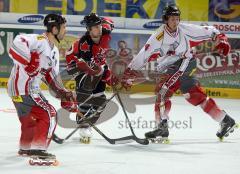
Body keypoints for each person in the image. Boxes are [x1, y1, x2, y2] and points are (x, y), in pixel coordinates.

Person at [122, 5, 237, 142]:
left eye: (177, 19)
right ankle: (225, 120)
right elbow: (144, 54)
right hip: (172, 66)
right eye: (172, 19)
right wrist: (129, 72)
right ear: (165, 19)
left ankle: (162, 126)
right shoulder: (158, 37)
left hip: (185, 63)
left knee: (163, 91)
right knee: (193, 95)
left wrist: (221, 39)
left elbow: (211, 31)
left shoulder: (186, 29)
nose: (175, 22)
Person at [8, 14, 78, 159]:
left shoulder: (54, 52)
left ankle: (25, 148)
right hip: (24, 89)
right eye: (64, 27)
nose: (65, 30)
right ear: (54, 29)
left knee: (29, 122)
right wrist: (28, 61)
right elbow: (16, 43)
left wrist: (63, 93)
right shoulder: (39, 41)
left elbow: (51, 77)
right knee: (49, 114)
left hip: (19, 90)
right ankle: (38, 151)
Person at [65, 13, 116, 143]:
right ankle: (83, 108)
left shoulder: (105, 30)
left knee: (101, 101)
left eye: (99, 25)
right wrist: (106, 74)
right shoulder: (84, 44)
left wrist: (106, 72)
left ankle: (85, 123)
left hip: (95, 65)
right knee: (87, 91)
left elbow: (109, 21)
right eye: (94, 27)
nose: (98, 29)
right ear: (88, 29)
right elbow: (89, 68)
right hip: (75, 65)